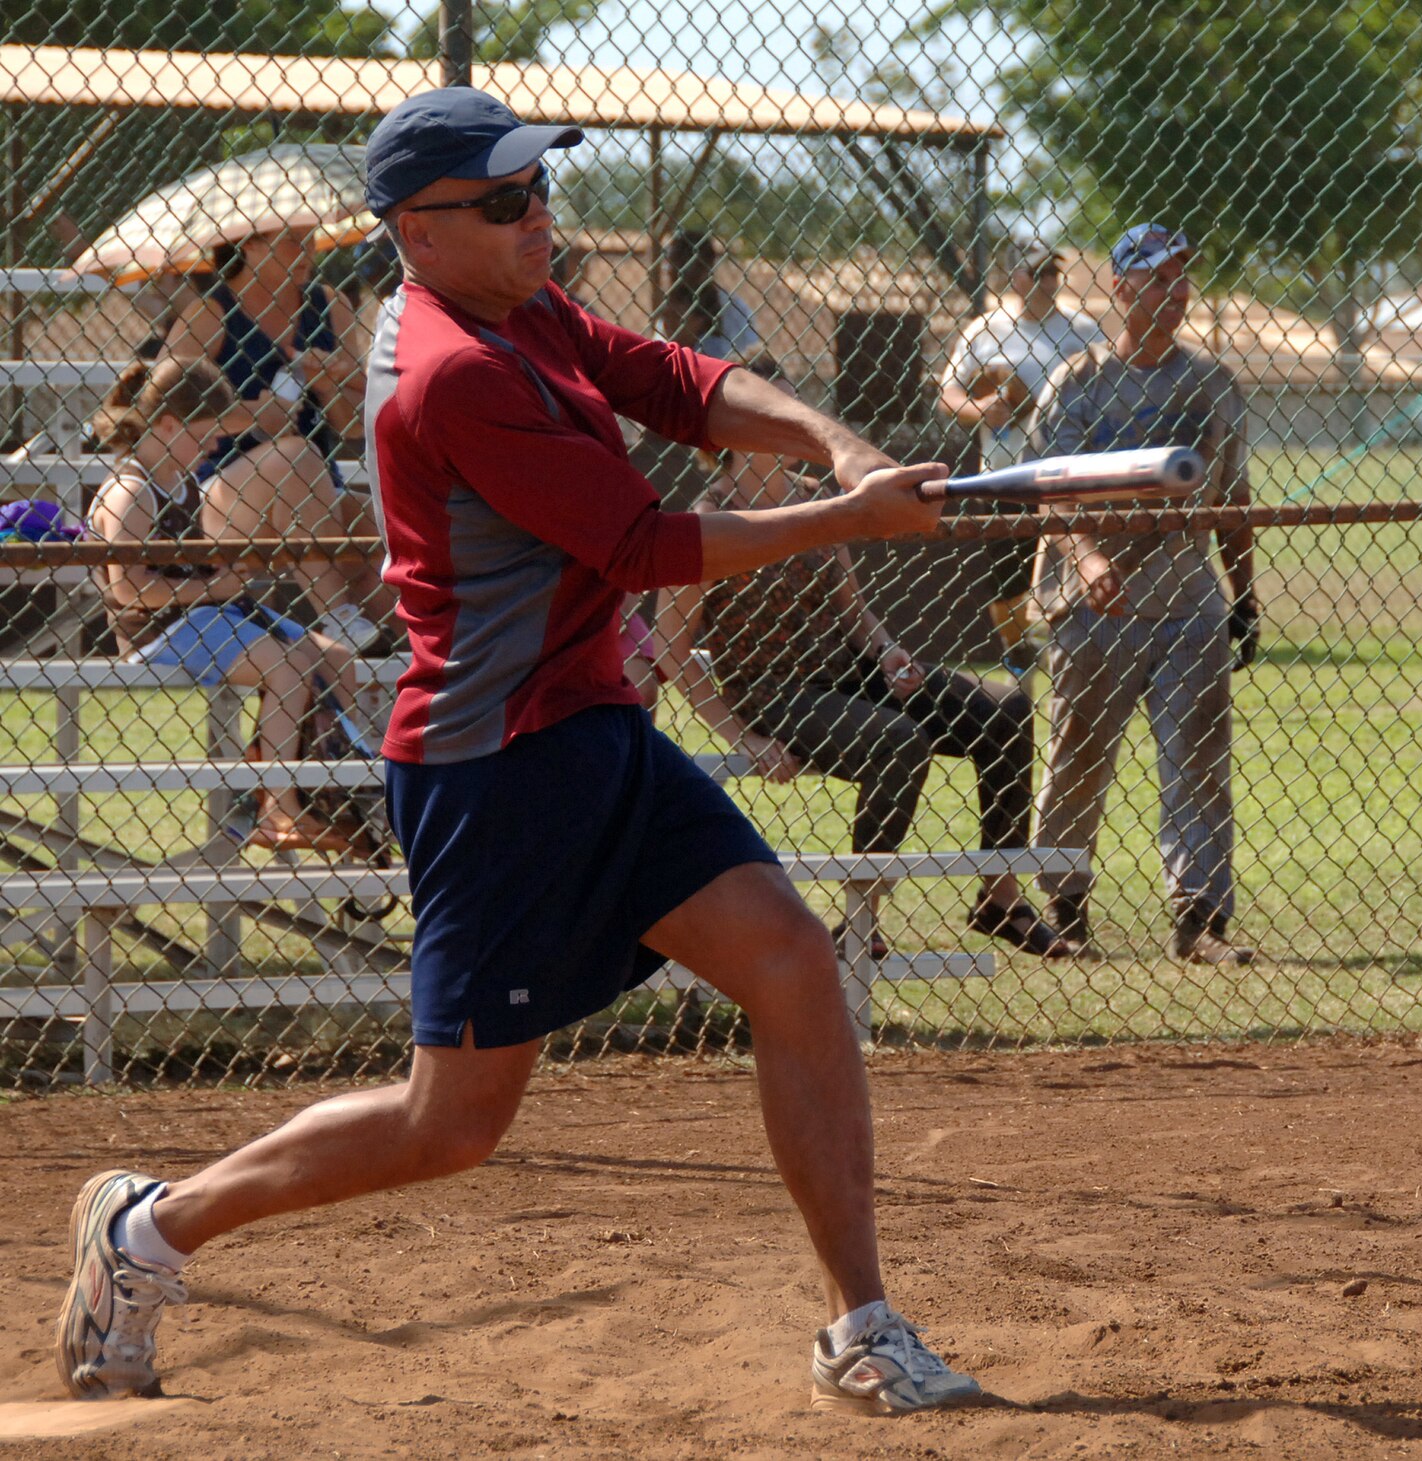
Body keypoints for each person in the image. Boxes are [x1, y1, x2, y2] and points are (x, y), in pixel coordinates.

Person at [56, 87, 981, 1417]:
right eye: (502, 201)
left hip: (593, 727)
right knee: (454, 1126)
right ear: (414, 234)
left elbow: (670, 376)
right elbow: (644, 547)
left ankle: (863, 1325)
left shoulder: (513, 307)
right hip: (493, 772)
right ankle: (148, 1231)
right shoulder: (456, 373)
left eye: (538, 187)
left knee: (790, 962)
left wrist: (834, 438)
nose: (537, 214)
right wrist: (850, 518)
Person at [647, 361, 1074, 959]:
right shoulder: (704, 519)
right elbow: (671, 647)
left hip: (848, 668)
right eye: (776, 417)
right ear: (734, 434)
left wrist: (887, 650)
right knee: (898, 742)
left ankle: (998, 897)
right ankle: (862, 915)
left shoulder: (817, 500)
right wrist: (738, 733)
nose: (798, 429)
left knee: (1003, 710)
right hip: (771, 688)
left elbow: (853, 609)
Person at [1026, 222, 1260, 966]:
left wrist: (1245, 597)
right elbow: (1043, 491)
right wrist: (1089, 557)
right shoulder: (1080, 382)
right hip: (1093, 602)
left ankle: (1201, 918)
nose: (1176, 290)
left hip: (1189, 599)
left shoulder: (1213, 383)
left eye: (1182, 276)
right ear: (1122, 289)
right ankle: (1064, 906)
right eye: (1158, 278)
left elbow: (1235, 499)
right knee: (1080, 754)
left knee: (1198, 758)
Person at [87, 356, 365, 851]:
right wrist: (215, 588)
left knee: (336, 657)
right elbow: (131, 589)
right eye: (206, 433)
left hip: (203, 615)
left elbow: (193, 572)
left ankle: (328, 792)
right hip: (158, 631)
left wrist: (226, 575)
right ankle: (278, 811)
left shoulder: (181, 483)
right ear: (168, 424)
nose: (216, 444)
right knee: (288, 669)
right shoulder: (131, 490)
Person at [161, 227, 391, 645]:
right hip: (222, 499)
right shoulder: (209, 315)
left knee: (377, 521)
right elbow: (159, 414)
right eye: (291, 241)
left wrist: (331, 386)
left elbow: (354, 426)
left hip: (317, 494)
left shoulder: (328, 304)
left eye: (310, 240)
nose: (307, 252)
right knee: (293, 454)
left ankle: (417, 648)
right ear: (248, 244)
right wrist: (249, 417)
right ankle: (338, 617)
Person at [939, 239, 1103, 670]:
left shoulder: (1082, 331)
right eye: (1038, 272)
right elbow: (948, 392)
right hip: (1005, 468)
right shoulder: (986, 328)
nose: (1049, 280)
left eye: (1053, 271)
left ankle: (1071, 644)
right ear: (1013, 278)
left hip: (1068, 468)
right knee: (1007, 571)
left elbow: (1110, 384)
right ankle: (1017, 652)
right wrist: (979, 407)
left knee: (1071, 556)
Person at [659, 229, 762, 361]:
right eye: (673, 265)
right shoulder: (669, 305)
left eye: (691, 264)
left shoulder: (731, 308)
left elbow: (751, 351)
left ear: (708, 264)